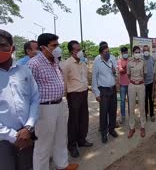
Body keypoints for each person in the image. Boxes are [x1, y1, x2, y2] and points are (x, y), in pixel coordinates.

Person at [28, 33, 78, 170]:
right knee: (43, 144)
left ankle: (62, 165)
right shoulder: (34, 64)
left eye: (58, 45)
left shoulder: (55, 62)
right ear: (43, 47)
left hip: (59, 104)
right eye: (54, 45)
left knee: (60, 137)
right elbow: (27, 90)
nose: (58, 48)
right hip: (44, 108)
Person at [0, 29, 40, 170]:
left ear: (12, 48)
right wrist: (13, 136)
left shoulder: (24, 71)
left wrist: (28, 127)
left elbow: (35, 98)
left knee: (27, 166)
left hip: (27, 134)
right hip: (3, 139)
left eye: (2, 45)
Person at [62, 40, 93, 158]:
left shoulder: (83, 63)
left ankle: (82, 140)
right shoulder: (67, 64)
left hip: (84, 93)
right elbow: (64, 81)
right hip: (73, 95)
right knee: (73, 121)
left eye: (80, 49)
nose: (80, 52)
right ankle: (72, 146)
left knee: (84, 118)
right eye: (77, 50)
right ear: (72, 52)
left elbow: (84, 78)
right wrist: (67, 96)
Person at [92, 44, 118, 144]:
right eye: (105, 52)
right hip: (103, 90)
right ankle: (104, 133)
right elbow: (94, 78)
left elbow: (116, 74)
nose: (107, 54)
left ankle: (111, 129)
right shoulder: (97, 62)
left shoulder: (113, 58)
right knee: (104, 112)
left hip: (113, 89)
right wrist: (96, 93)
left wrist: (115, 72)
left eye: (108, 51)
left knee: (113, 110)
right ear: (100, 53)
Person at [127, 46, 147, 138]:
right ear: (133, 53)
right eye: (136, 52)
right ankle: (132, 127)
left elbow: (145, 74)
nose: (137, 53)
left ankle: (142, 126)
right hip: (131, 86)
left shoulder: (143, 62)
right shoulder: (129, 62)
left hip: (141, 85)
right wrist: (134, 81)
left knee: (142, 107)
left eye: (139, 52)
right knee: (131, 107)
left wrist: (140, 81)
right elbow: (128, 74)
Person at [143, 45, 155, 122]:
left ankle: (152, 114)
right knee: (144, 100)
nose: (146, 51)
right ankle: (145, 115)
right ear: (142, 51)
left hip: (151, 82)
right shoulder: (140, 59)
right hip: (143, 83)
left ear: (149, 51)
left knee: (151, 99)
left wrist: (154, 84)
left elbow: (155, 73)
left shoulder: (153, 59)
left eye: (147, 50)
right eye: (144, 50)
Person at [118, 47, 130, 124]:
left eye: (126, 52)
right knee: (122, 101)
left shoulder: (130, 60)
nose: (126, 54)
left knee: (130, 101)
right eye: (124, 52)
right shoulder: (119, 61)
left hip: (130, 84)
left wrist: (125, 69)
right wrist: (127, 69)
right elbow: (121, 71)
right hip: (122, 84)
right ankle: (123, 116)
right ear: (122, 53)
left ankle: (130, 115)